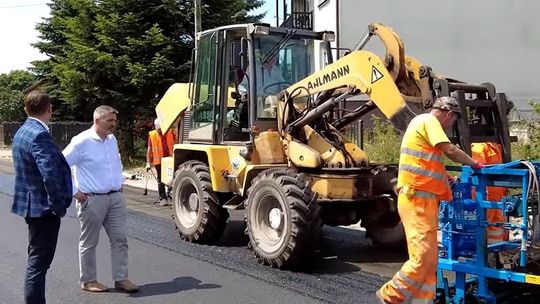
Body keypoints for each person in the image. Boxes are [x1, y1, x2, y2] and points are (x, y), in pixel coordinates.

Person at [376, 96, 484, 303]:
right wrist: (475, 164)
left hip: (424, 201)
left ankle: (423, 299)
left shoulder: (423, 125)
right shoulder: (428, 121)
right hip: (415, 199)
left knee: (431, 259)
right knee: (422, 258)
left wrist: (447, 179)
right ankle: (389, 295)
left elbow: (428, 163)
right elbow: (450, 151)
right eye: (453, 121)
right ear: (449, 114)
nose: (451, 125)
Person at [62, 105, 138, 293]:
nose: (114, 124)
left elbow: (114, 164)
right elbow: (59, 166)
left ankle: (121, 278)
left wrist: (120, 181)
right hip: (92, 199)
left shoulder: (111, 140)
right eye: (109, 120)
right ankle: (88, 281)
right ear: (97, 120)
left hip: (115, 197)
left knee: (120, 239)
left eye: (114, 120)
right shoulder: (81, 141)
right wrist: (74, 191)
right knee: (89, 242)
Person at [11, 91, 73, 304]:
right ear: (49, 109)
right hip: (43, 208)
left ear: (26, 108)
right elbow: (50, 175)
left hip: (30, 205)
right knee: (38, 263)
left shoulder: (21, 132)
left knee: (35, 258)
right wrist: (58, 206)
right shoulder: (39, 135)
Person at [471, 142, 508, 244]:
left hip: (498, 198)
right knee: (483, 226)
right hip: (486, 197)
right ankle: (481, 254)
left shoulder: (498, 145)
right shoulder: (479, 146)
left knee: (497, 227)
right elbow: (478, 169)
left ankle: (494, 254)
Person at [146, 118, 175, 206]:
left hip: (170, 160)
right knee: (160, 179)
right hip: (159, 161)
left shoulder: (170, 132)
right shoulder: (152, 135)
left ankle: (170, 195)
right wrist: (148, 162)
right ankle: (163, 198)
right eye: (159, 130)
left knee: (171, 178)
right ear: (156, 128)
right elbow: (149, 149)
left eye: (162, 129)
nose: (161, 131)